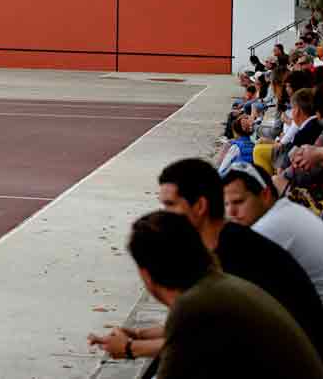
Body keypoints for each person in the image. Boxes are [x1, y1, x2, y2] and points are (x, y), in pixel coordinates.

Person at [99, 158, 323, 362]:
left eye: (170, 205)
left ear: (199, 206)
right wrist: (139, 334)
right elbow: (198, 324)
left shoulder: (235, 255)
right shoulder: (229, 241)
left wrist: (131, 347)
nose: (164, 214)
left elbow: (203, 341)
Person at [88, 210, 323, 377]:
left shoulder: (195, 303)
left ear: (146, 275)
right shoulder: (213, 285)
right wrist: (138, 335)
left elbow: (180, 347)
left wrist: (129, 348)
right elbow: (189, 336)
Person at [222, 162, 323, 299]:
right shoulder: (285, 210)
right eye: (226, 204)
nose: (231, 212)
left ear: (265, 195)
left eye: (238, 202)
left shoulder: (269, 227)